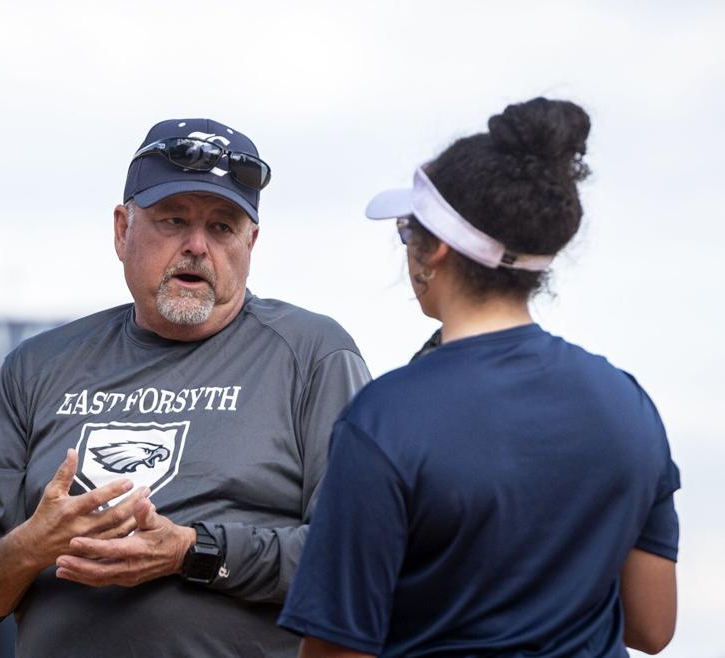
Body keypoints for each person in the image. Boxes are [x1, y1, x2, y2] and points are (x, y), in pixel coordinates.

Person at [0, 117, 372, 656]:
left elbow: (357, 560)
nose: (197, 246)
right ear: (122, 230)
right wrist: (31, 545)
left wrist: (192, 551)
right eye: (173, 220)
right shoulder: (36, 367)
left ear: (251, 242)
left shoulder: (312, 354)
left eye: (223, 227)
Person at [278, 98, 680, 657]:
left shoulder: (386, 418)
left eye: (406, 231)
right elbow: (653, 628)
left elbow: (338, 649)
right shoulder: (628, 404)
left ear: (437, 249)